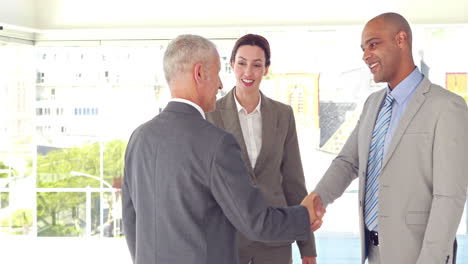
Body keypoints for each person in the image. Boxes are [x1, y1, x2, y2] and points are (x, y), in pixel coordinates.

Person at [122, 34, 322, 264]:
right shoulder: (216, 142)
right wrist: (304, 216)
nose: (220, 84)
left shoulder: (138, 138)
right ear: (199, 73)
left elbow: (130, 218)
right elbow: (254, 220)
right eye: (217, 73)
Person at [312, 12, 468, 264]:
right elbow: (348, 162)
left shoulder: (447, 107)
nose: (365, 55)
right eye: (363, 49)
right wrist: (317, 199)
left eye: (373, 44)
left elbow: (449, 197)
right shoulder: (372, 104)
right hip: (373, 253)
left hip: (419, 256)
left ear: (401, 40)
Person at [206, 34, 317, 264]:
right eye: (242, 63)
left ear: (266, 69)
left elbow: (293, 181)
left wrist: (307, 247)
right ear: (231, 65)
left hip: (275, 240)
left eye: (257, 65)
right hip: (228, 240)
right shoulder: (210, 114)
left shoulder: (283, 115)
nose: (248, 72)